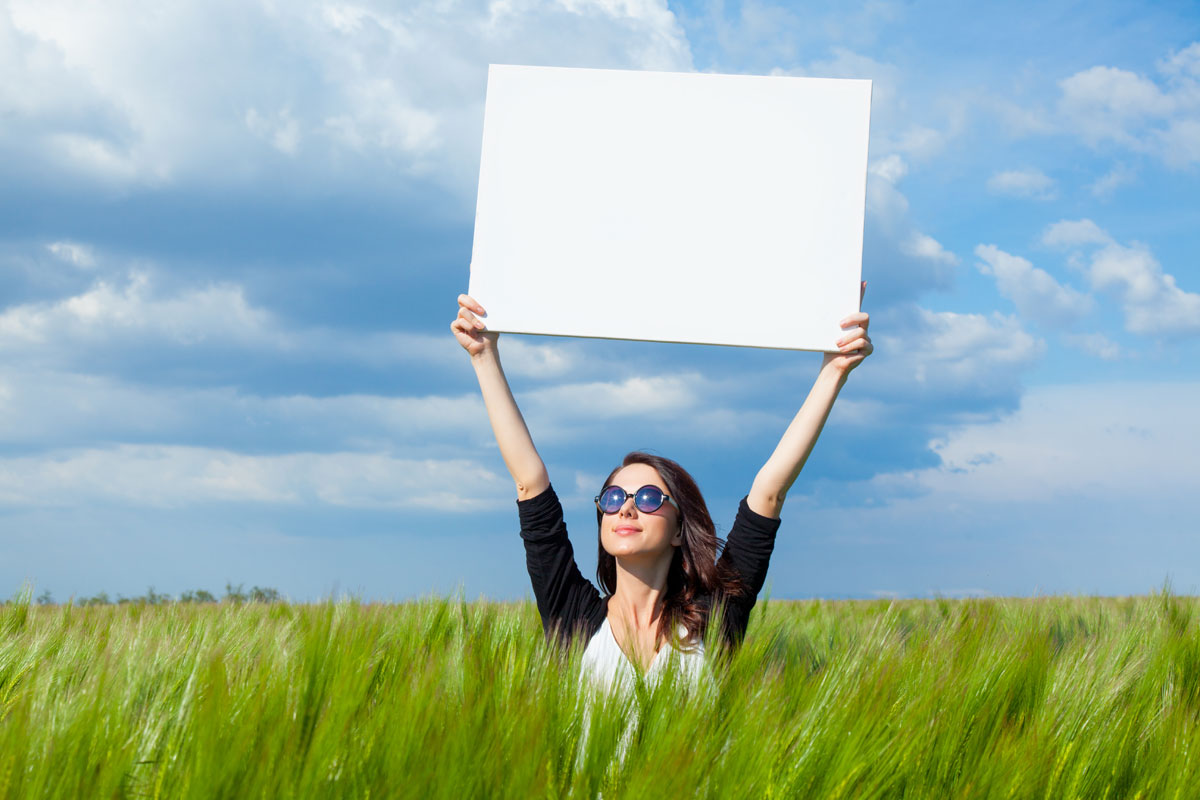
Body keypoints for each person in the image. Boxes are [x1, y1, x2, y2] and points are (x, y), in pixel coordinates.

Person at [451, 287, 872, 687]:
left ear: (677, 529)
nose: (626, 509)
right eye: (614, 499)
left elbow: (769, 494)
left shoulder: (715, 618)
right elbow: (530, 483)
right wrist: (484, 355)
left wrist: (834, 370)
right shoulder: (572, 614)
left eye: (649, 498)